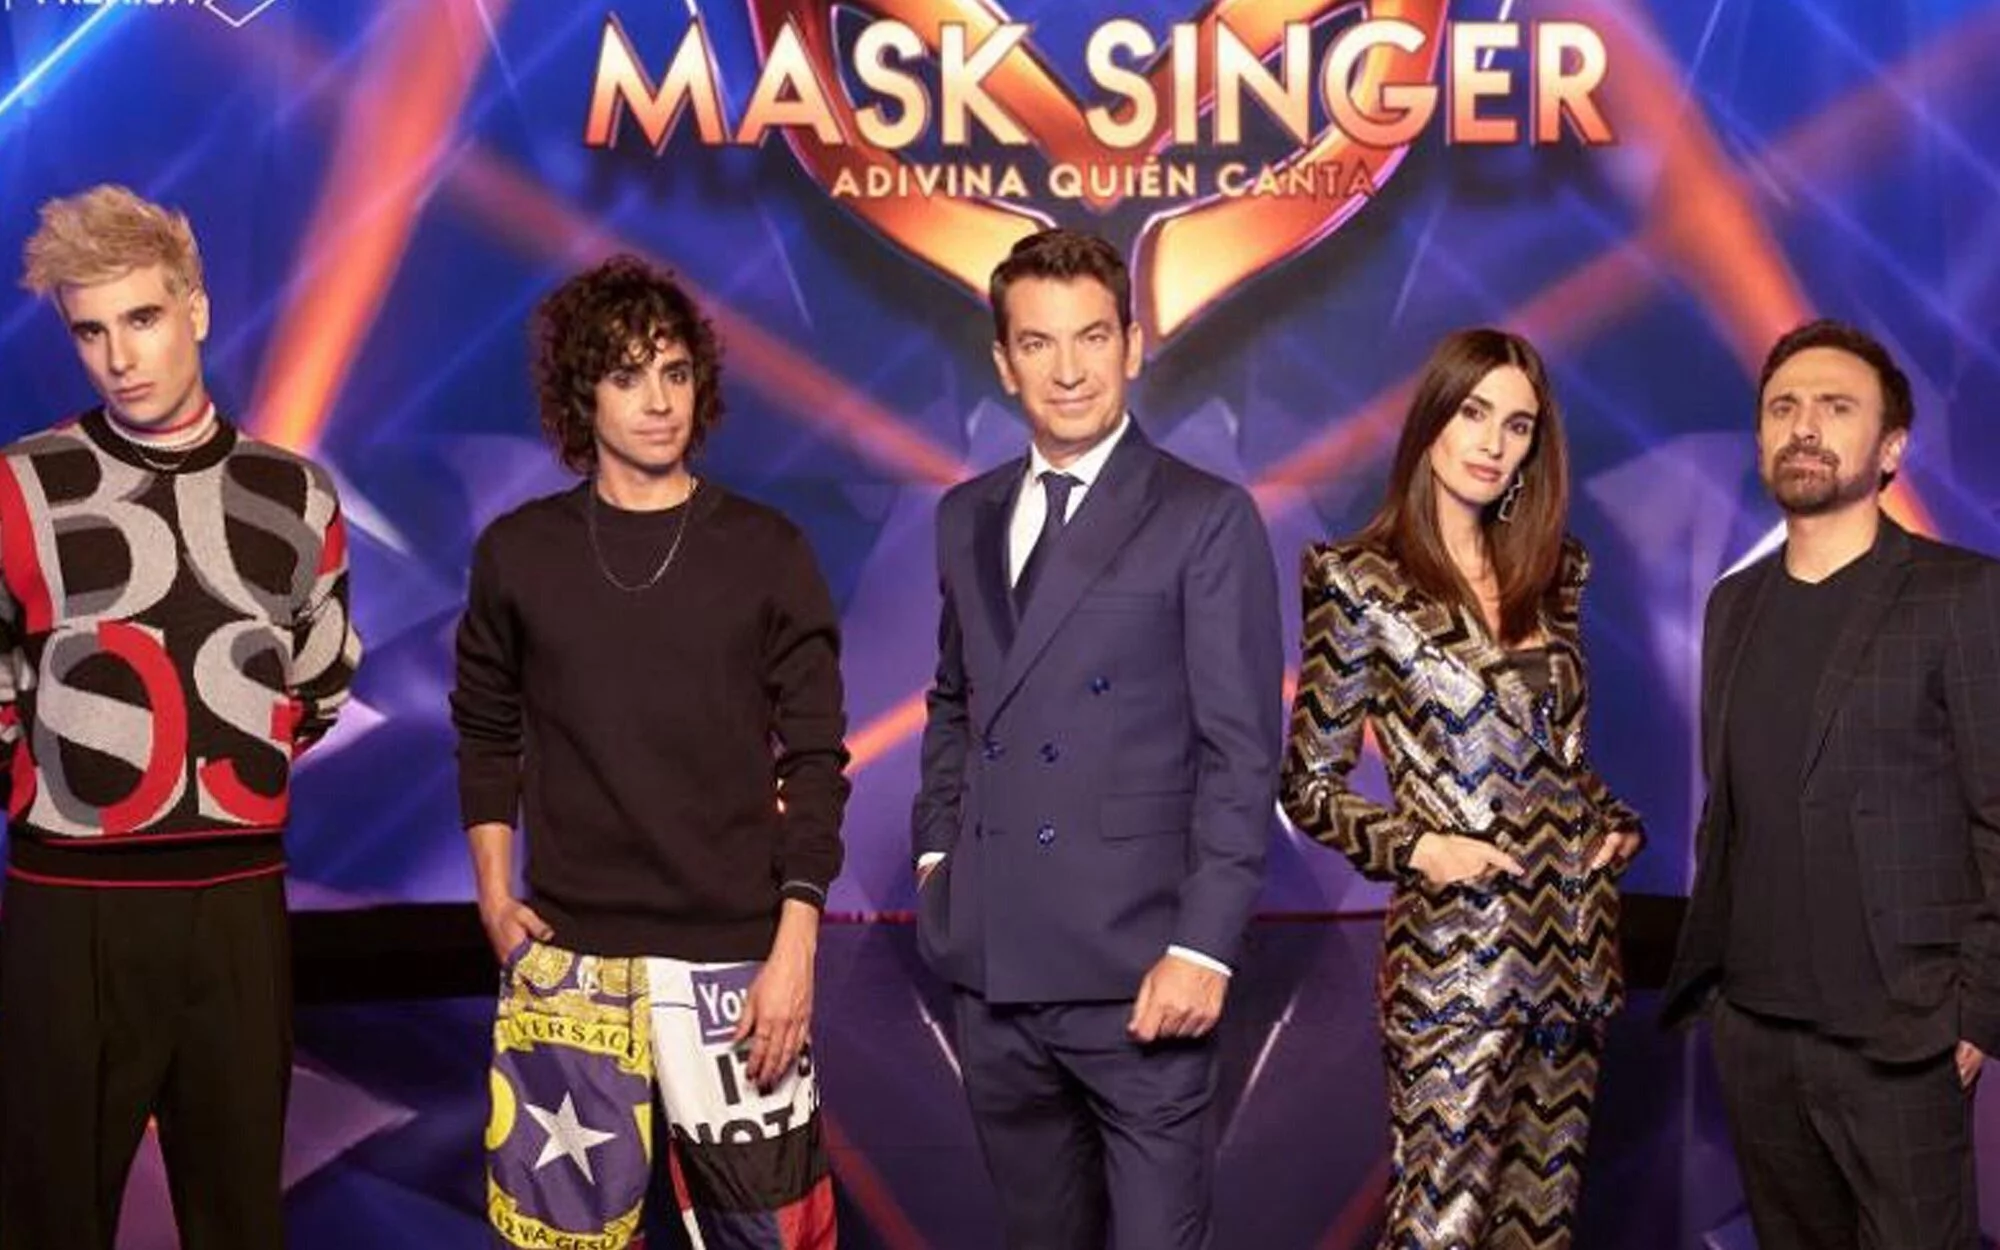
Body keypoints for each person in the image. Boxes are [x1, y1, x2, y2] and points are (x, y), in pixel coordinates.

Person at [452, 255, 846, 1249]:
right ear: (581, 394)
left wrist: (794, 949)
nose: (659, 401)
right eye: (627, 376)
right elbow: (486, 729)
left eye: (675, 373)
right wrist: (493, 896)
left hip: (735, 962)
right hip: (570, 960)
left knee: (772, 1237)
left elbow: (814, 760)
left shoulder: (767, 550)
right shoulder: (518, 553)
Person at [0, 184, 361, 1247]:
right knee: (49, 1214)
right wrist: (65, 783)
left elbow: (318, 680)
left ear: (195, 310)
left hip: (236, 904)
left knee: (239, 1214)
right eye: (91, 331)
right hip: (70, 909)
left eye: (143, 317)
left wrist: (220, 769)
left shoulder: (296, 495)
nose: (120, 356)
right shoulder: (21, 487)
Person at [910, 227, 1283, 1250]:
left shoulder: (1205, 517)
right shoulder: (964, 515)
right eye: (1038, 343)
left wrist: (1201, 945)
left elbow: (1241, 752)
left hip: (1140, 971)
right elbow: (955, 701)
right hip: (995, 963)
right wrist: (939, 858)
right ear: (1003, 361)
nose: (1068, 370)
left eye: (1091, 337)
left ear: (1132, 344)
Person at [1280, 328, 1643, 1248]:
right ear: (1432, 421)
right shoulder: (1359, 582)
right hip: (1456, 963)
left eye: (1518, 425)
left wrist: (1611, 819)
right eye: (1474, 413)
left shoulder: (1556, 575)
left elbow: (1553, 755)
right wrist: (1419, 849)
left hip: (1574, 953)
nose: (1493, 442)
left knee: (1541, 1231)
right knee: (1438, 1228)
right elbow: (1309, 783)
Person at [1661, 319, 2000, 1248]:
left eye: (1836, 407)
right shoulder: (1734, 604)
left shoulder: (1963, 595)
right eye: (1783, 407)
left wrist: (1978, 1011)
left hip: (1904, 1038)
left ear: (1891, 448)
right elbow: (1732, 808)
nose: (1804, 426)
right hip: (1755, 1033)